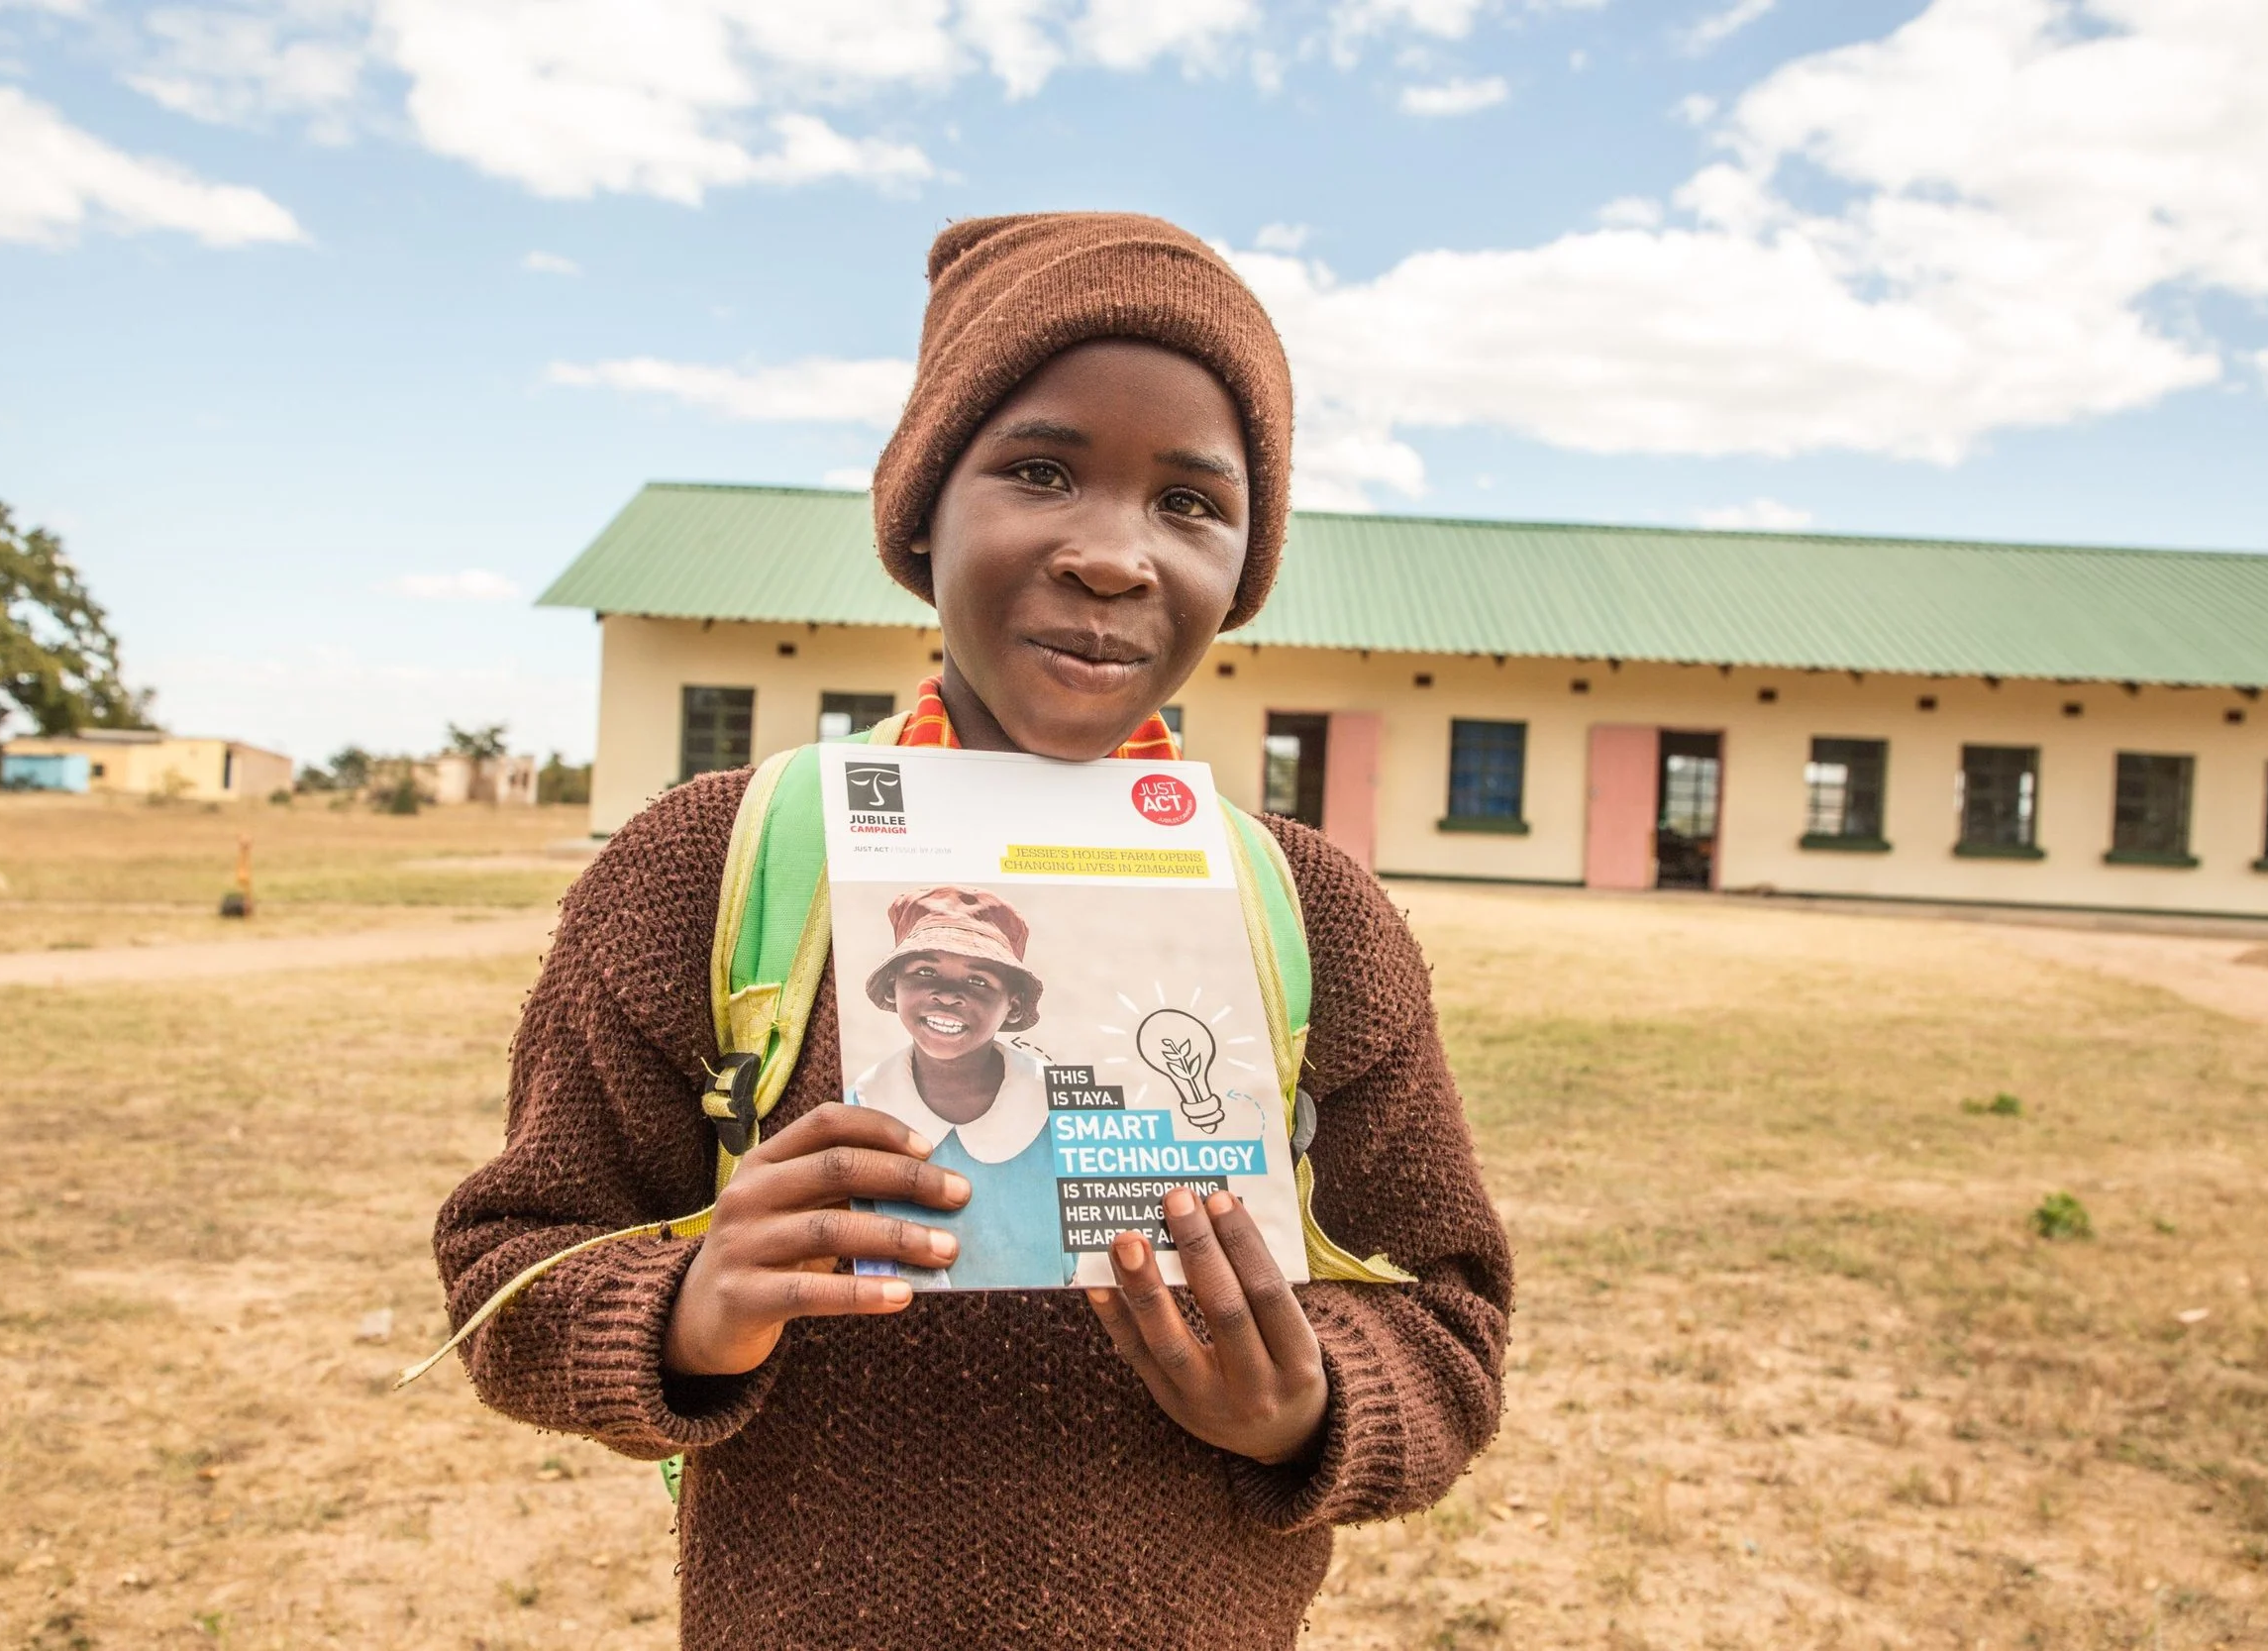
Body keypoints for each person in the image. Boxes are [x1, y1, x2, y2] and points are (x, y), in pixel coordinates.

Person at [436, 212, 1513, 1649]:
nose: (1115, 554)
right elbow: (510, 1267)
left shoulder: (1311, 907)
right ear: (924, 508)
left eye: (1191, 502)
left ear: (1247, 561)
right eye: (1042, 469)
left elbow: (1453, 1326)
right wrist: (688, 1307)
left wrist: (1310, 1399)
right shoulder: (713, 861)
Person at [848, 885, 1065, 1290]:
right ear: (893, 986)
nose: (948, 995)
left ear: (1013, 1003)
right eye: (924, 972)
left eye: (978, 980)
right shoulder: (860, 1109)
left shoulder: (1062, 1108)